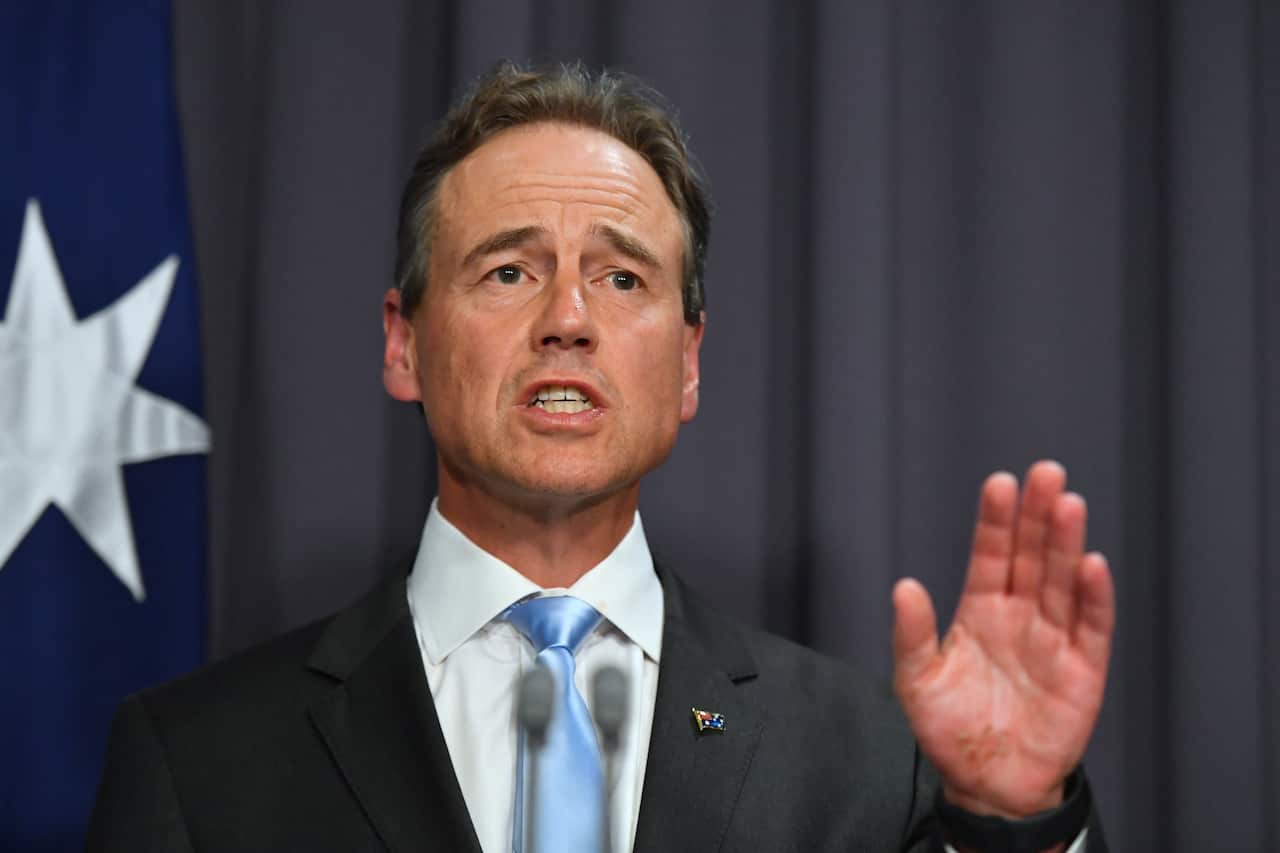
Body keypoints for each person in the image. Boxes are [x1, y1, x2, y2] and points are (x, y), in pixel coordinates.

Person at [87, 61, 1115, 853]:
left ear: (687, 364)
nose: (567, 318)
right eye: (507, 270)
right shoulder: (197, 763)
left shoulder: (872, 757)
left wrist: (1005, 818)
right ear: (403, 342)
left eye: (622, 280)